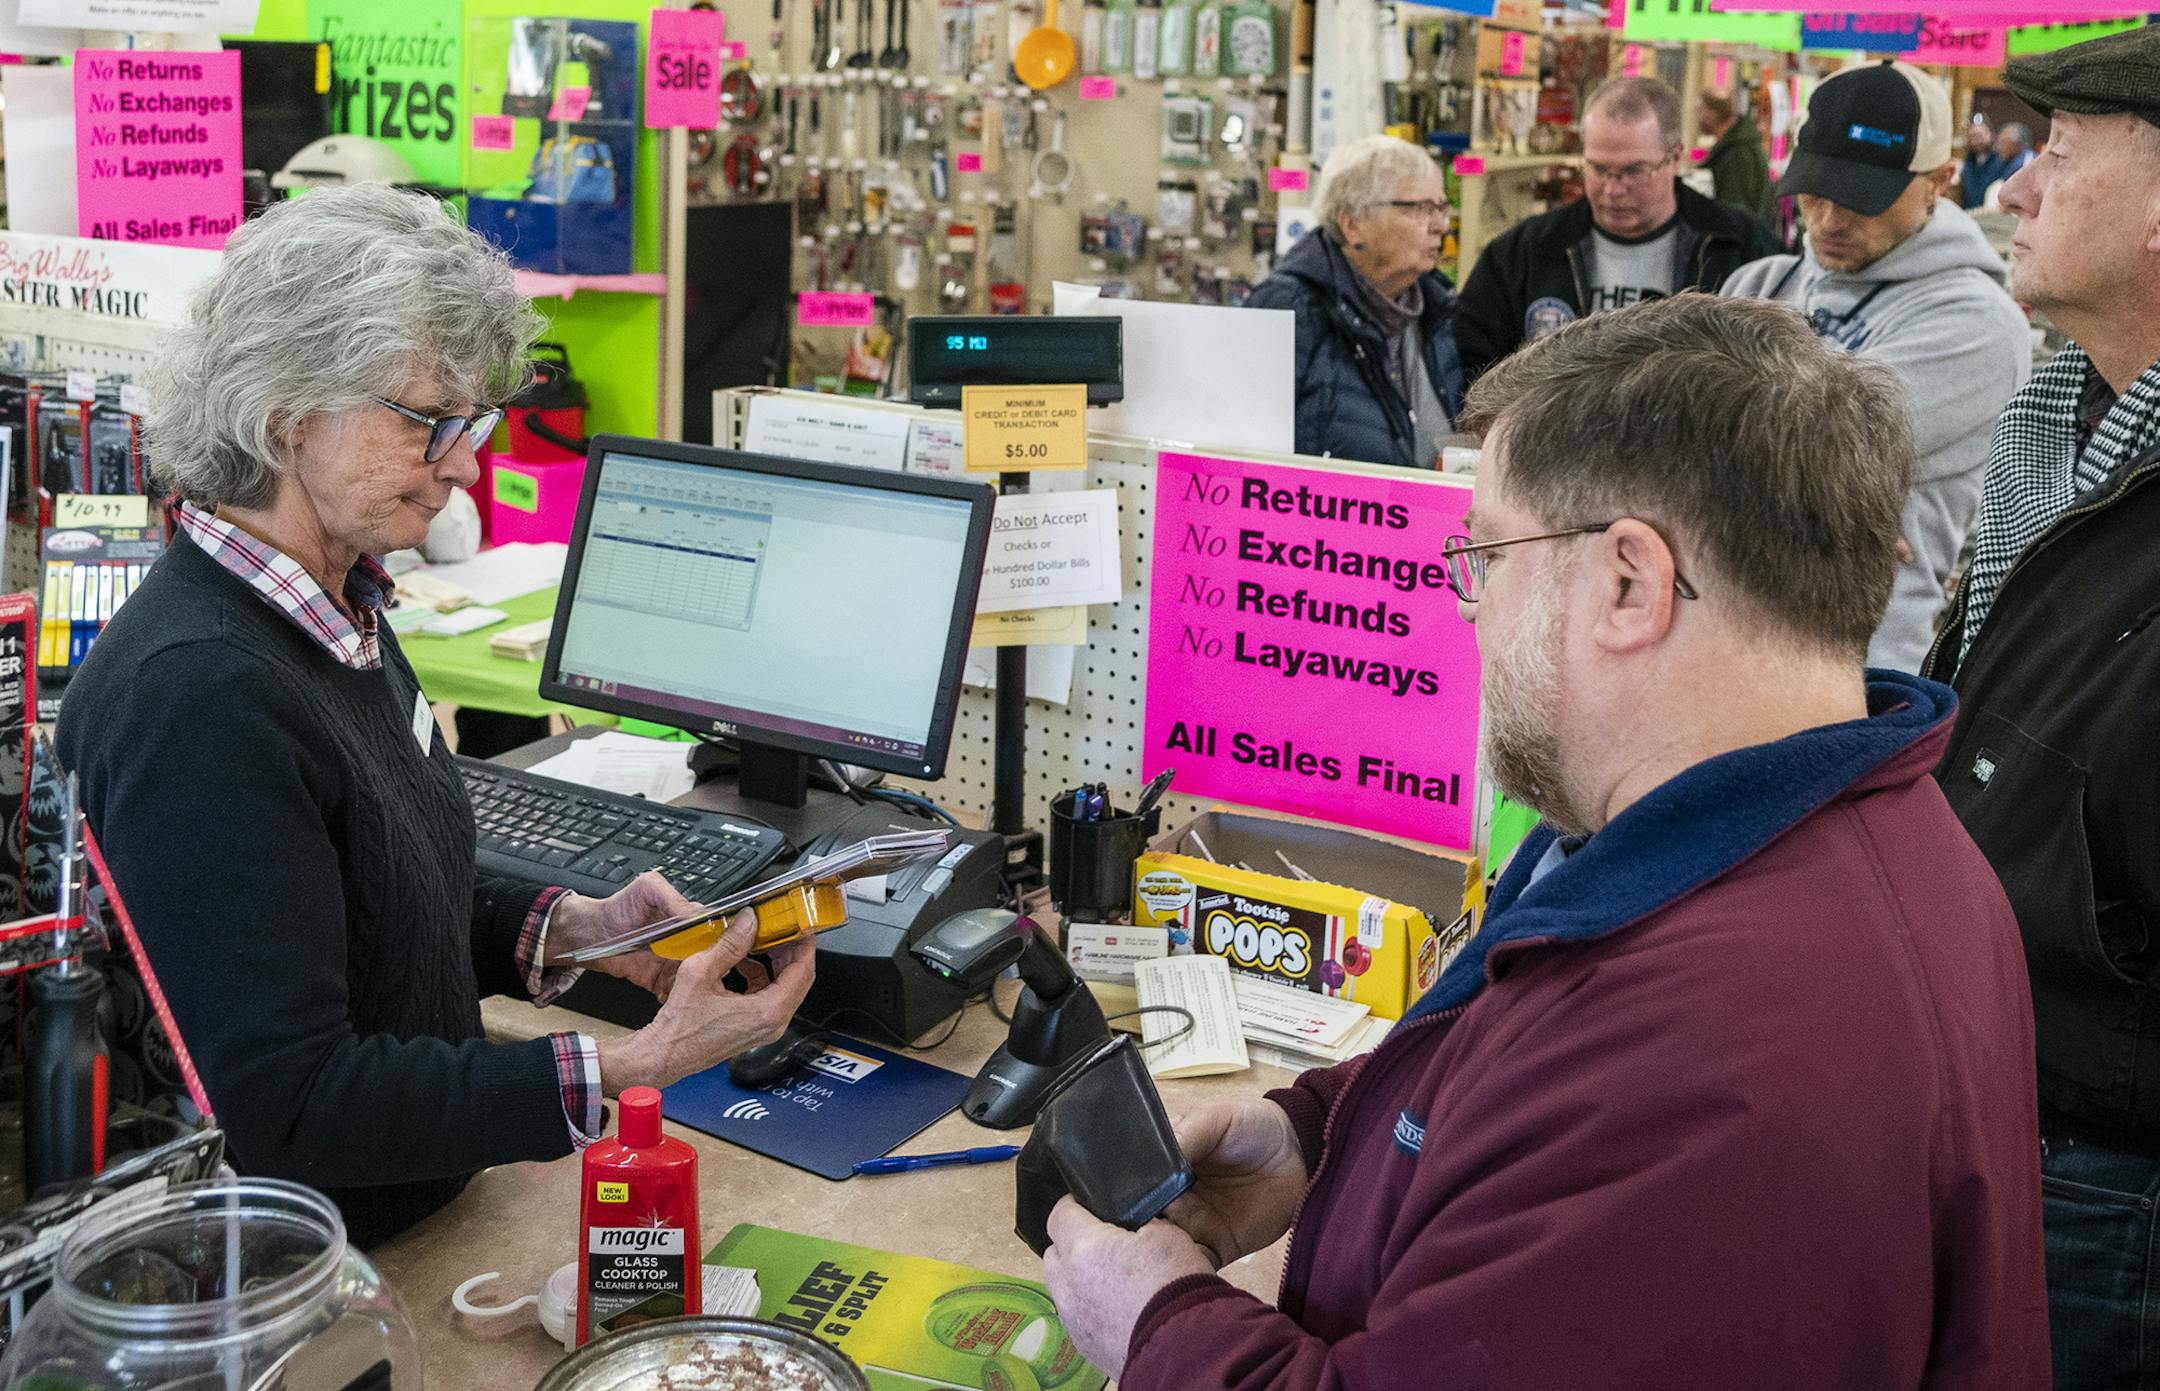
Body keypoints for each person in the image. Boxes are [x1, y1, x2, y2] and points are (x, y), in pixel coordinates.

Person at [1039, 296, 2050, 1389]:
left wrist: (1157, 1323)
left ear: (1629, 582)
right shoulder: (1794, 833)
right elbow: (1528, 1091)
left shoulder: (1710, 1047)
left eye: (1487, 553)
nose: (1471, 604)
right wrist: (1319, 1138)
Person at [56, 185, 817, 1247]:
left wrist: (576, 931)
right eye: (431, 423)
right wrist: (633, 1065)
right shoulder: (200, 694)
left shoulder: (333, 600)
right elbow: (291, 1111)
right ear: (288, 417)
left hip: (418, 1220)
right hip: (320, 1279)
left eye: (475, 422)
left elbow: (364, 892)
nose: (466, 462)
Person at [1918, 25, 2160, 1387]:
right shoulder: (2057, 416)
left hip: (2115, 1179)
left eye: (2060, 155)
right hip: (2000, 1103)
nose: (2012, 185)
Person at [1724, 60, 2031, 673]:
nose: (1831, 221)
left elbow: (1816, 443)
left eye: (1864, 198)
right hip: (1717, 646)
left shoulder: (1978, 324)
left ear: (1939, 181)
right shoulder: (1758, 283)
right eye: (1816, 189)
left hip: (1857, 675)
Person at [1453, 76, 1781, 381]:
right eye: (1597, 168)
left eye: (1634, 171)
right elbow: (1470, 366)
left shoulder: (1741, 247)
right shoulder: (1523, 253)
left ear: (1675, 157)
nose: (1612, 189)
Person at [1245, 135, 1463, 469]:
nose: (1441, 226)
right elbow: (1244, 458)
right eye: (1420, 208)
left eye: (1441, 208)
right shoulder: (1290, 310)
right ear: (1353, 224)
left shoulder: (1435, 308)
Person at [1696, 91, 1775, 227]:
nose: (1697, 117)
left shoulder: (1738, 153)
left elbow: (1735, 212)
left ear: (1712, 113)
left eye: (1699, 111)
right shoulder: (1737, 145)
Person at [1960, 117, 2003, 209]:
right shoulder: (1968, 162)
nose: (1977, 141)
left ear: (1990, 134)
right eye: (1973, 137)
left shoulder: (2001, 159)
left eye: (1980, 135)